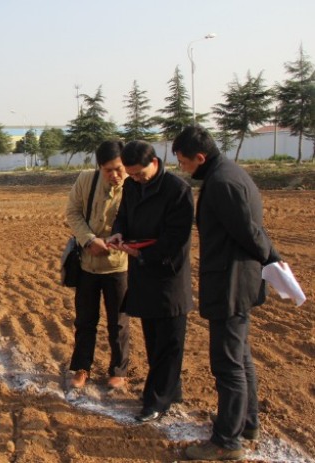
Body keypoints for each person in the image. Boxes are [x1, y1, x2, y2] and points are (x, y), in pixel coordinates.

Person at [173, 126, 282, 461]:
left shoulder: (221, 182)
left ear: (200, 157)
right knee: (240, 356)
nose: (183, 168)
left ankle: (226, 441)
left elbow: (249, 231)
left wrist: (273, 259)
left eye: (184, 162)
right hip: (235, 280)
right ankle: (247, 423)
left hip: (230, 283)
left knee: (227, 364)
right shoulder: (230, 173)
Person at [106, 140, 194, 422]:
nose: (135, 179)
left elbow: (176, 239)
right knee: (154, 339)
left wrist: (142, 253)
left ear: (154, 163)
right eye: (131, 174)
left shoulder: (178, 190)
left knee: (169, 341)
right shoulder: (133, 186)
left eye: (139, 174)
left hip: (168, 275)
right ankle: (171, 391)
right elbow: (123, 215)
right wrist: (119, 233)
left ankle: (156, 401)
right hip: (142, 272)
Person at [65, 140, 129, 390]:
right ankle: (82, 368)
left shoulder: (134, 186)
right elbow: (73, 212)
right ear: (99, 167)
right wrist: (89, 239)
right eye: (108, 170)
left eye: (118, 169)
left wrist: (119, 241)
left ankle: (118, 370)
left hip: (119, 266)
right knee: (85, 320)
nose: (114, 175)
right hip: (87, 265)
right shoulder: (86, 180)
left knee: (119, 322)